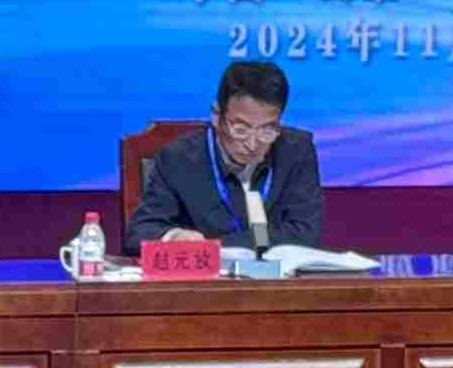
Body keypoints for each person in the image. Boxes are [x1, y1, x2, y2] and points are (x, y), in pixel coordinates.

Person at [127, 60, 326, 253]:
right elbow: (140, 232)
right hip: (207, 275)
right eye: (241, 129)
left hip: (276, 275)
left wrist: (214, 246)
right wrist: (174, 236)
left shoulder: (296, 150)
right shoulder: (178, 158)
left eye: (267, 130)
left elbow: (306, 233)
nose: (252, 144)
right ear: (216, 115)